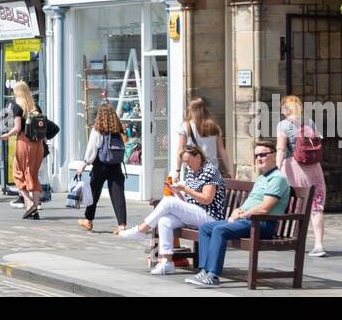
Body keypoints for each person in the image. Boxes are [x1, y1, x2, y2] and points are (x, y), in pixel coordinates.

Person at [187, 138, 291, 289]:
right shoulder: (262, 178)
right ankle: (204, 271)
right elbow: (252, 202)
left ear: (274, 155)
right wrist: (237, 211)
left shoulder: (277, 179)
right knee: (206, 228)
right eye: (256, 156)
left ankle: (213, 275)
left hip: (262, 224)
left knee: (219, 230)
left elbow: (264, 208)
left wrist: (243, 214)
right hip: (249, 220)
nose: (259, 159)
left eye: (263, 155)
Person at [121, 145, 228, 275]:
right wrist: (177, 192)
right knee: (164, 220)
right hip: (195, 214)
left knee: (168, 201)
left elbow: (206, 199)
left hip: (210, 217)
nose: (186, 164)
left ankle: (140, 230)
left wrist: (185, 189)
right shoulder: (191, 171)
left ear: (198, 157)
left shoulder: (210, 170)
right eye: (184, 161)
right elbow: (187, 202)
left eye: (188, 161)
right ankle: (167, 262)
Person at [276, 94, 328, 257]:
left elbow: (281, 149)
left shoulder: (283, 125)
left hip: (293, 168)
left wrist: (277, 169)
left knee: (285, 203)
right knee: (316, 206)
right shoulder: (310, 122)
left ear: (285, 108)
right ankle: (319, 245)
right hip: (314, 169)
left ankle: (281, 238)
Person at [76, 103, 127, 233]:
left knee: (94, 192)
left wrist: (84, 163)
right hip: (116, 164)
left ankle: (88, 220)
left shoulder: (98, 129)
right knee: (118, 194)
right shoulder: (117, 130)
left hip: (101, 164)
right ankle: (121, 224)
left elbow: (92, 148)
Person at [9, 81, 46, 220]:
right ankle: (35, 209)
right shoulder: (36, 107)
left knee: (18, 174)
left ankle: (29, 203)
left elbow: (17, 128)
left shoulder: (17, 107)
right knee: (33, 174)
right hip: (38, 144)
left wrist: (7, 135)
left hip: (24, 143)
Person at [176, 96, 231, 181]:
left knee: (194, 193)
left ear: (191, 109)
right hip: (212, 169)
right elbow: (221, 150)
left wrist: (178, 170)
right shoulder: (214, 127)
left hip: (193, 169)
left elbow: (180, 149)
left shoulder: (185, 126)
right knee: (211, 193)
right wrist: (229, 170)